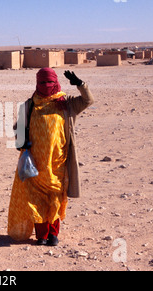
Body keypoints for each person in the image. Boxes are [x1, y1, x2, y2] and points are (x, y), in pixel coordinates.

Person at [8, 68, 94, 246]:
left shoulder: (66, 104)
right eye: (42, 83)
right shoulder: (29, 105)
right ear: (36, 83)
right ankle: (42, 235)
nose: (46, 86)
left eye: (49, 82)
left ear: (55, 82)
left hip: (58, 162)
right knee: (36, 199)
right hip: (35, 163)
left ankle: (53, 234)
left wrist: (80, 85)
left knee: (55, 197)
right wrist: (22, 142)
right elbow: (18, 128)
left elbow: (88, 100)